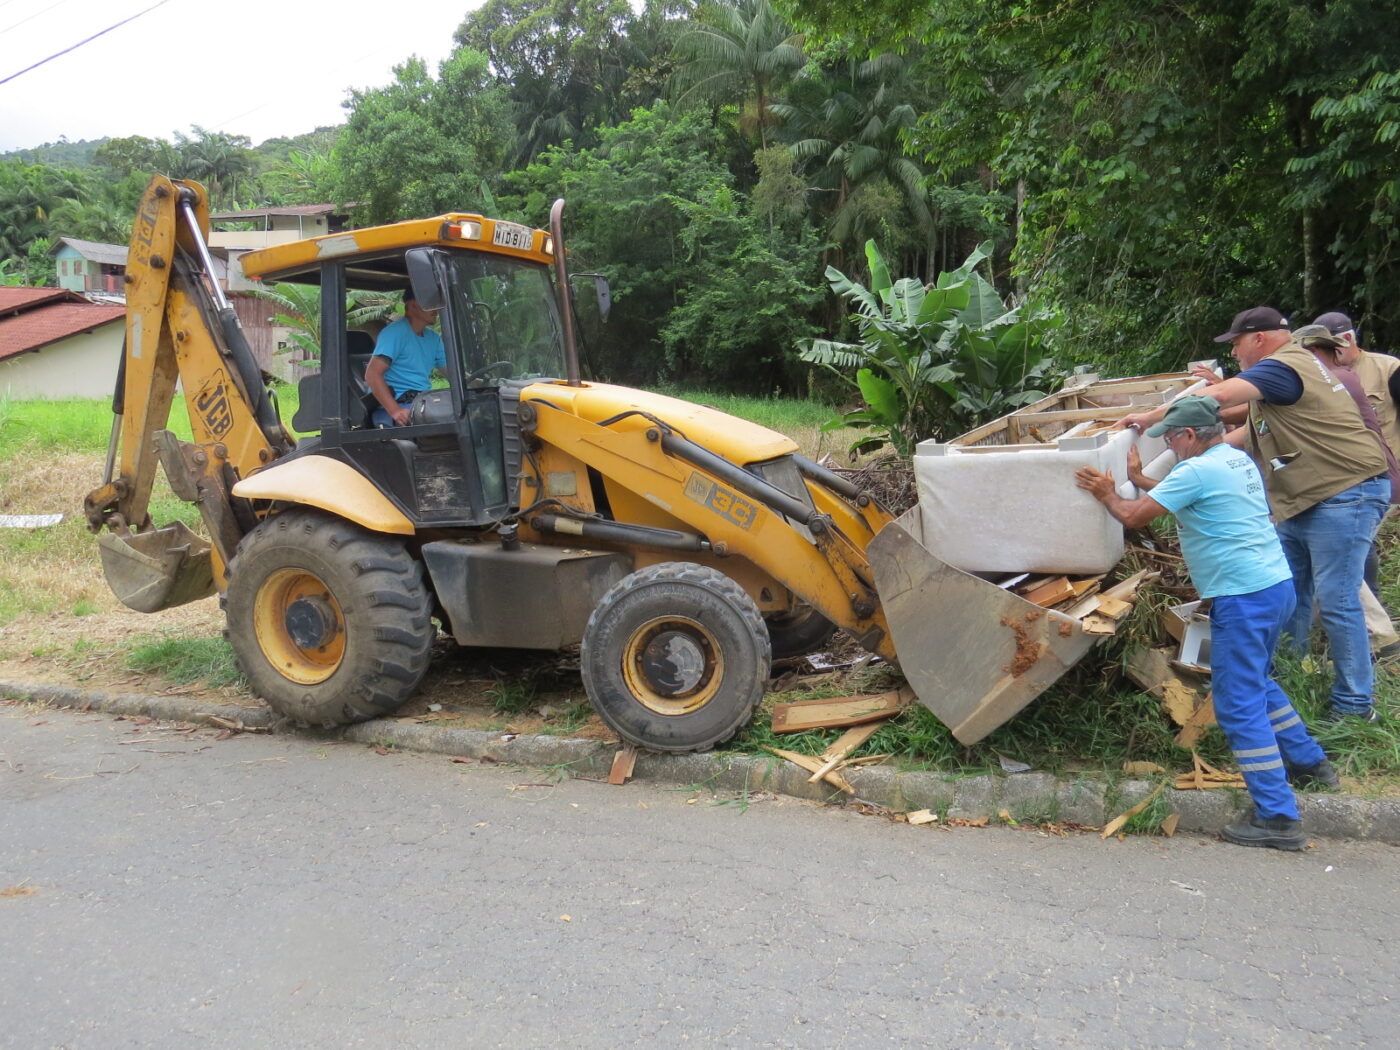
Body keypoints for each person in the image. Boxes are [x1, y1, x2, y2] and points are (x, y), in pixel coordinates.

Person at [1077, 395, 1336, 851]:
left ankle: (1277, 817)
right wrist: (1136, 478)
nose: (1170, 445)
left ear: (1191, 435)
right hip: (1274, 586)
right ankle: (1310, 763)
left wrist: (1105, 493)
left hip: (1243, 595)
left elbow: (1135, 515)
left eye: (1173, 438)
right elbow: (1182, 494)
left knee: (1237, 704)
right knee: (1258, 680)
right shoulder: (1233, 460)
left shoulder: (1196, 471)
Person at [1121, 307, 1390, 722]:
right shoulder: (1285, 378)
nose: (1235, 352)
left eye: (1237, 342)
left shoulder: (1281, 366)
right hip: (1308, 497)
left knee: (1336, 600)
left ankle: (1355, 706)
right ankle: (1287, 684)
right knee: (1293, 595)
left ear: (1259, 338)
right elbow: (1248, 432)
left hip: (1343, 493)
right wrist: (1198, 455)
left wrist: (1150, 418)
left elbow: (1218, 397)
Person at [1313, 311, 1400, 601]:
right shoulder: (1318, 376)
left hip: (1385, 475)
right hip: (1345, 479)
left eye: (1333, 348)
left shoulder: (1388, 368)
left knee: (1354, 546)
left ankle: (1370, 617)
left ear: (1349, 339)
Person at [366, 288, 446, 427]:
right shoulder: (394, 333)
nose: (436, 309)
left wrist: (479, 382)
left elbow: (451, 371)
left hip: (421, 402)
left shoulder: (433, 338)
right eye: (430, 303)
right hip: (399, 403)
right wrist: (395, 411)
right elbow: (372, 374)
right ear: (412, 305)